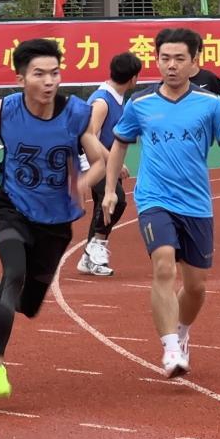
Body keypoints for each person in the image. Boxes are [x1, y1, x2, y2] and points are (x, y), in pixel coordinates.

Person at [0, 39, 105, 399]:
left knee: (27, 305)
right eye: (39, 74)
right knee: (14, 272)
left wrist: (83, 183)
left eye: (55, 73)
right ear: (21, 78)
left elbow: (99, 160)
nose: (49, 81)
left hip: (56, 220)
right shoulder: (5, 109)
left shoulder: (76, 114)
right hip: (11, 207)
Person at [104, 28, 220, 378]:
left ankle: (182, 333)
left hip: (196, 203)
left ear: (194, 61)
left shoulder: (210, 104)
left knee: (196, 287)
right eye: (165, 58)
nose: (171, 65)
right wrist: (110, 189)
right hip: (154, 198)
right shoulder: (140, 103)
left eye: (179, 59)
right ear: (156, 60)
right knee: (164, 266)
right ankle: (170, 347)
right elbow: (120, 145)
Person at [77, 52, 143, 277]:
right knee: (117, 200)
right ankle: (94, 248)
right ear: (133, 78)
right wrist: (112, 160)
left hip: (102, 160)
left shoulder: (117, 97)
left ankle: (89, 257)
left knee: (103, 205)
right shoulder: (102, 101)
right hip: (90, 160)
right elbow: (89, 136)